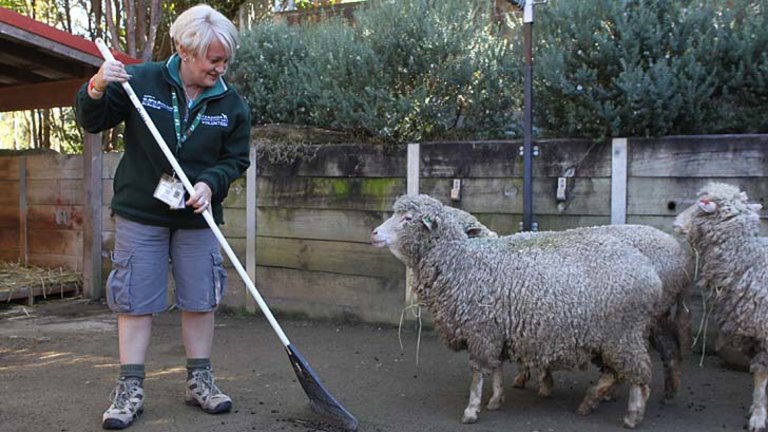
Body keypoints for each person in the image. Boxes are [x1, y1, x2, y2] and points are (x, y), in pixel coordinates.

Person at [75, 4, 250, 430]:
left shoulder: (231, 103)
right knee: (135, 299)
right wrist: (97, 85)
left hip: (197, 216)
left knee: (201, 298)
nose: (220, 69)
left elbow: (235, 159)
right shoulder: (141, 81)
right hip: (141, 213)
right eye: (213, 60)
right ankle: (130, 388)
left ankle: (200, 381)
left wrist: (210, 183)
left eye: (225, 60)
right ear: (184, 50)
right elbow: (91, 120)